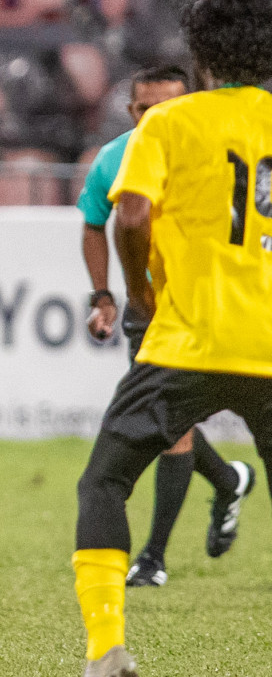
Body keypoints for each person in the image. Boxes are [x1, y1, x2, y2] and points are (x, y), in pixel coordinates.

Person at [57, 0, 272, 677]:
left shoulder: (170, 124)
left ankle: (105, 650)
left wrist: (142, 292)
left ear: (203, 56)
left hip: (186, 339)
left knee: (107, 480)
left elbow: (134, 213)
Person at [77, 65, 255, 587]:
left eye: (168, 105)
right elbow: (94, 223)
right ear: (130, 112)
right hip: (153, 309)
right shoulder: (112, 160)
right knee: (166, 427)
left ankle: (155, 556)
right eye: (144, 109)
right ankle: (225, 482)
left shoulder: (214, 150)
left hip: (214, 306)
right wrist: (106, 295)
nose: (155, 116)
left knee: (161, 427)